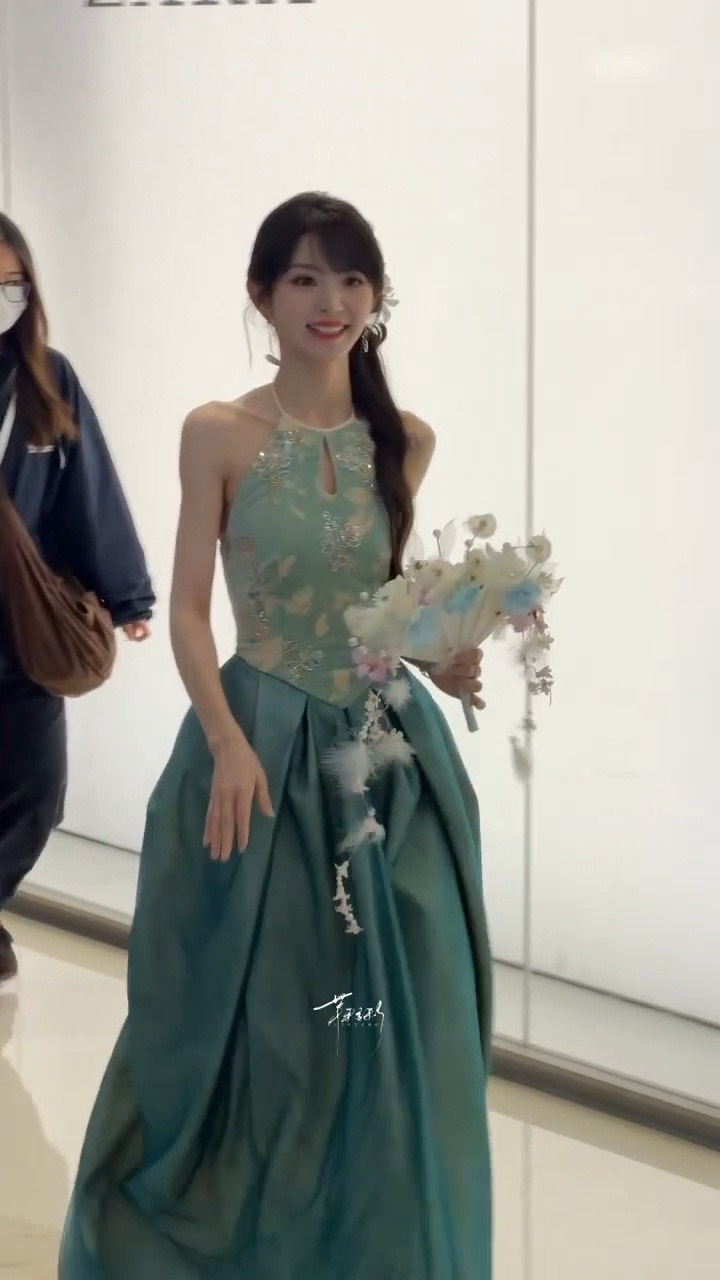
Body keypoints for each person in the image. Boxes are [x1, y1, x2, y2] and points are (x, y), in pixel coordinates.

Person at [59, 193, 493, 1279]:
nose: (329, 300)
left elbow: (381, 607)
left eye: (350, 278)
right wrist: (225, 739)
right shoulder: (218, 432)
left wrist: (442, 656)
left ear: (377, 297)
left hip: (389, 762)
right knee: (271, 1018)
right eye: (304, 278)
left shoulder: (405, 439)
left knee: (390, 1016)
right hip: (256, 743)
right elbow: (189, 609)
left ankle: (369, 1243)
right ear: (261, 295)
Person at [0, 213, 155, 981]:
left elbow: (86, 488)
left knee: (38, 792)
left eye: (12, 284)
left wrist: (126, 596)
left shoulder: (44, 378)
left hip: (19, 631)